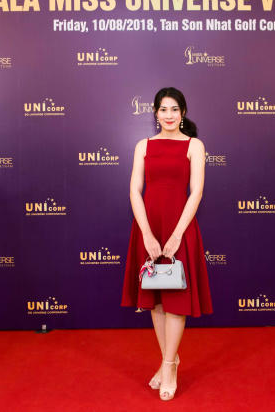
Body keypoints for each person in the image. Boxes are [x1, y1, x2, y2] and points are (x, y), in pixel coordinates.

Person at [120, 87, 213, 401]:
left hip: (180, 228)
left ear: (183, 112)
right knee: (156, 299)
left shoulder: (194, 145)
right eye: (163, 109)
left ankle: (169, 366)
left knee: (175, 300)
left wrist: (176, 235)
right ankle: (168, 360)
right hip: (149, 227)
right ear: (155, 113)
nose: (169, 115)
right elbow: (134, 190)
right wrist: (147, 233)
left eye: (175, 109)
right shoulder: (143, 146)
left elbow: (196, 192)